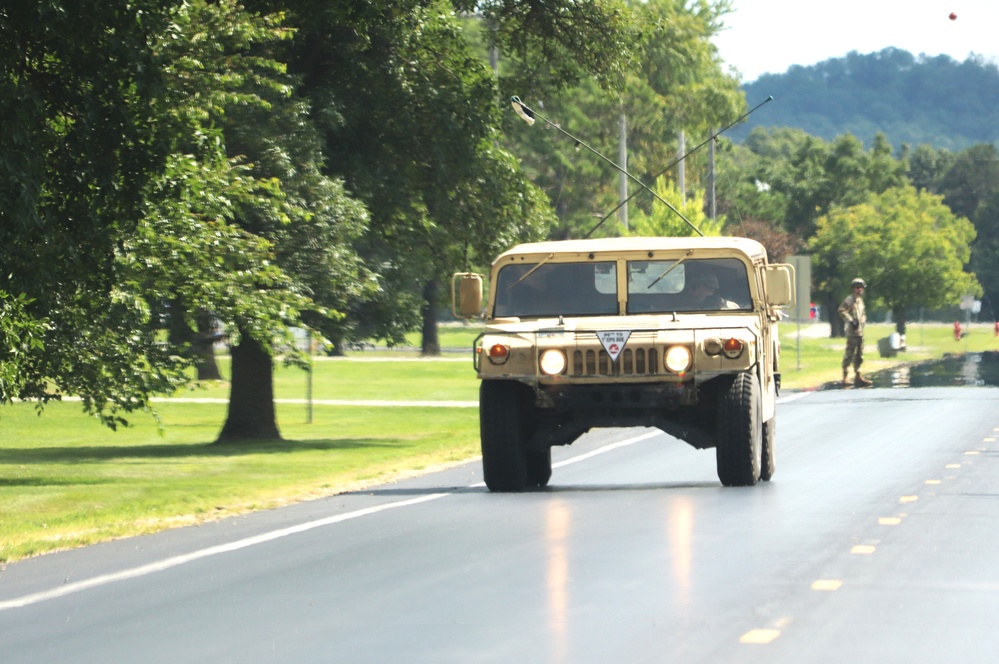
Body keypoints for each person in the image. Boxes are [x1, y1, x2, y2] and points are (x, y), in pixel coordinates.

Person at [838, 277, 871, 386]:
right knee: (850, 354)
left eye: (861, 287)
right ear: (853, 288)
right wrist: (851, 320)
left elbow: (862, 314)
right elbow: (841, 310)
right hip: (852, 332)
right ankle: (845, 376)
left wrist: (863, 321)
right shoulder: (849, 299)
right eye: (857, 287)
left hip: (860, 331)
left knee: (860, 355)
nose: (860, 289)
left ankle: (858, 376)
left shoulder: (860, 301)